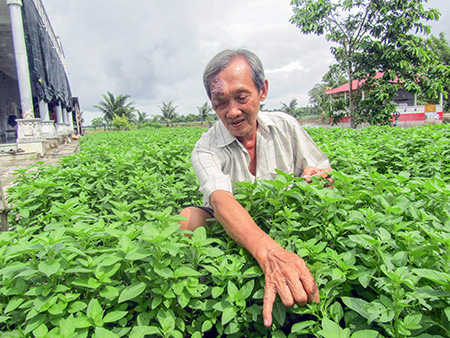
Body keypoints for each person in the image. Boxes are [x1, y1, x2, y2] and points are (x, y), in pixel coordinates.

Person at [178, 49, 332, 327]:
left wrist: (317, 176)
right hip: (235, 233)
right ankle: (198, 306)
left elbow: (325, 173)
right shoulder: (205, 148)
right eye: (220, 102)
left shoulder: (286, 126)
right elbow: (220, 200)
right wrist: (269, 253)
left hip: (285, 224)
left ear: (262, 91)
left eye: (241, 97)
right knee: (187, 219)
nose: (232, 111)